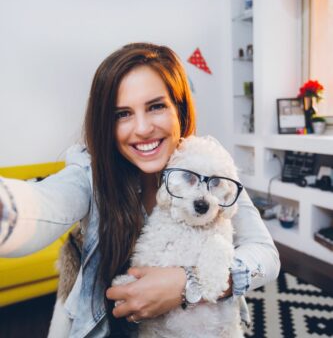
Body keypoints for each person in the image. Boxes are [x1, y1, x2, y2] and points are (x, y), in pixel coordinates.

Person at [0, 42, 280, 337]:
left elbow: (266, 256)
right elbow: (42, 204)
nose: (143, 128)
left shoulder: (208, 166)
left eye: (156, 106)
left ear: (179, 109)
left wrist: (187, 285)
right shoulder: (92, 173)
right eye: (122, 114)